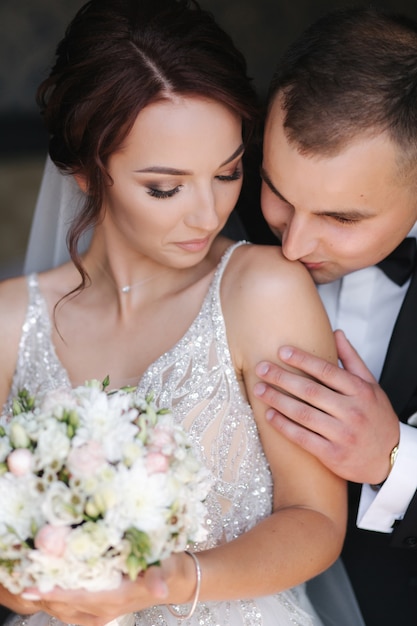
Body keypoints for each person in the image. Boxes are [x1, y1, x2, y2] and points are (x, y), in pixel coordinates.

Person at [0, 1, 347, 626]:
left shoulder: (263, 291)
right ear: (85, 170)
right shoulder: (8, 322)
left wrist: (169, 581)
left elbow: (317, 521)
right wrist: (20, 578)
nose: (207, 213)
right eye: (165, 187)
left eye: (228, 172)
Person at [251, 7, 417, 626]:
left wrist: (394, 458)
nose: (292, 246)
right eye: (278, 192)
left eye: (342, 219)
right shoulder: (212, 206)